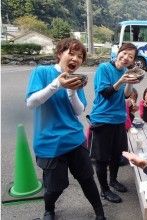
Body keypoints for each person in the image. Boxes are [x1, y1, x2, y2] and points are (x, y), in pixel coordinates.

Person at [25, 38, 105, 220]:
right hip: (49, 143)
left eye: (80, 56)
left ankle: (100, 214)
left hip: (75, 139)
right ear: (60, 53)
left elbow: (79, 110)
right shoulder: (42, 72)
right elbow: (31, 102)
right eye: (71, 53)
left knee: (87, 179)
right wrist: (57, 84)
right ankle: (49, 210)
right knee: (55, 186)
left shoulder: (76, 80)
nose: (76, 59)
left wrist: (72, 90)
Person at [88, 43, 139, 203]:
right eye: (124, 53)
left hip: (119, 119)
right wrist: (121, 80)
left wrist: (130, 80)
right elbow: (106, 92)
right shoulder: (104, 68)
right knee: (101, 158)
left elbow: (125, 95)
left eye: (130, 57)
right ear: (119, 52)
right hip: (102, 118)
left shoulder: (125, 71)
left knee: (117, 155)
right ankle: (104, 190)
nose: (126, 58)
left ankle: (113, 180)